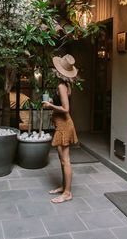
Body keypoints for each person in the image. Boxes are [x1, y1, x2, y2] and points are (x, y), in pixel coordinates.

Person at [42, 54, 79, 203]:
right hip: (62, 124)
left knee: (65, 160)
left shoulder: (61, 86)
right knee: (62, 159)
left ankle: (67, 193)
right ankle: (64, 187)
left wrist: (50, 106)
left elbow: (65, 108)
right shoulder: (66, 85)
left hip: (64, 125)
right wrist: (53, 101)